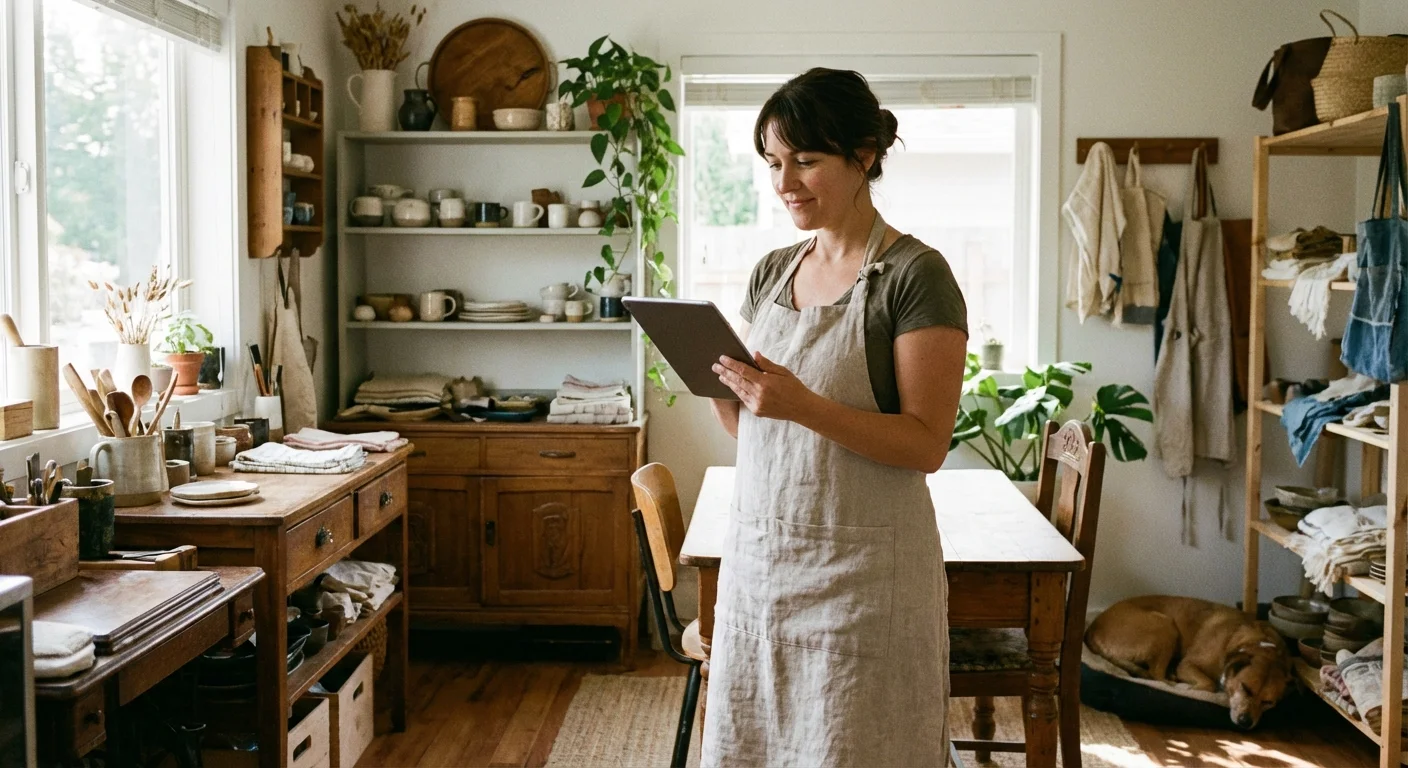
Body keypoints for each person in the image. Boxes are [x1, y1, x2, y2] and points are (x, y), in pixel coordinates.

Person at [703, 67, 969, 766]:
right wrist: (728, 393)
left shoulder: (916, 276)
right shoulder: (771, 273)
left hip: (864, 582)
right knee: (757, 743)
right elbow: (755, 431)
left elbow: (926, 444)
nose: (785, 181)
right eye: (773, 162)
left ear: (865, 156)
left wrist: (803, 405)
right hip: (764, 568)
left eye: (806, 160)